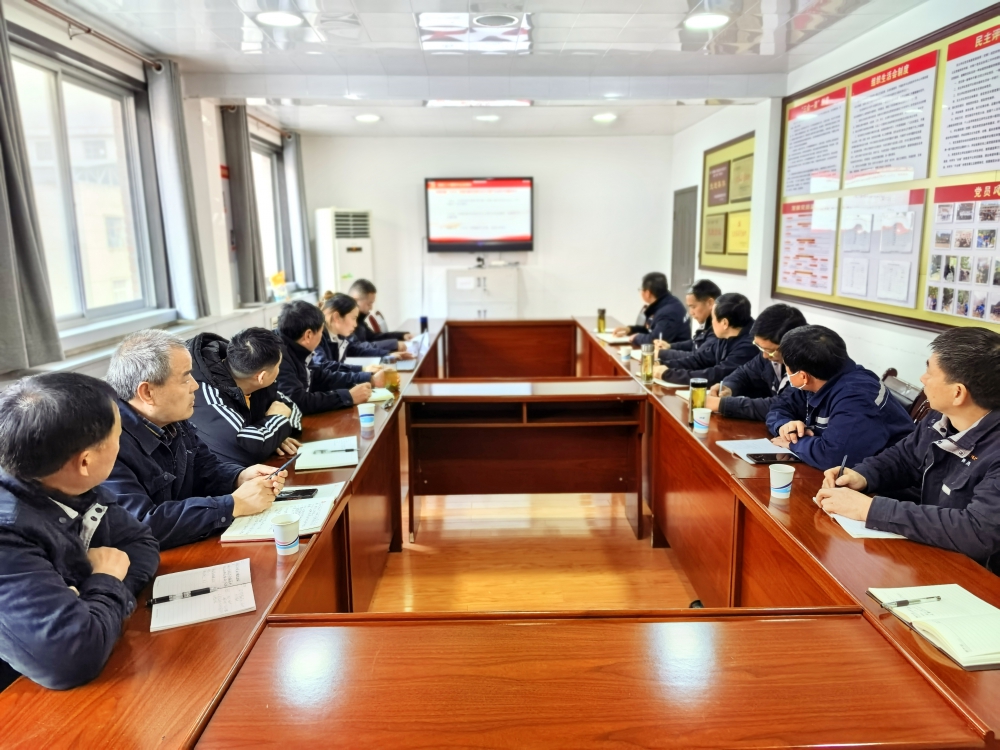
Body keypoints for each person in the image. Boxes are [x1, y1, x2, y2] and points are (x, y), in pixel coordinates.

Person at [0, 373, 159, 691]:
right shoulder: (7, 533)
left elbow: (140, 544)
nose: (120, 445)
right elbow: (71, 658)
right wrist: (105, 581)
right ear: (85, 461)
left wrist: (90, 601)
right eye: (118, 436)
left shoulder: (68, 483)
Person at [816, 328, 1000, 573]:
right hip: (935, 555)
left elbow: (977, 531)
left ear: (957, 393)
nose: (922, 379)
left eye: (930, 372)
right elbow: (906, 457)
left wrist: (869, 510)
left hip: (979, 577)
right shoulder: (940, 416)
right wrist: (863, 475)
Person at [103, 330, 288, 550]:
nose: (195, 386)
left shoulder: (173, 419)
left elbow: (206, 469)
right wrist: (232, 505)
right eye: (185, 378)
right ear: (147, 393)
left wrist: (239, 477)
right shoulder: (106, 443)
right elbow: (141, 523)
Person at [766, 325, 913, 470]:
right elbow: (779, 407)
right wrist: (784, 426)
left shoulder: (857, 396)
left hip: (888, 479)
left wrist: (794, 443)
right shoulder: (819, 376)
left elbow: (835, 458)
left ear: (803, 376)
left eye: (786, 366)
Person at [187, 328, 302, 466]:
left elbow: (290, 406)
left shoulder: (247, 369)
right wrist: (277, 423)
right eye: (278, 366)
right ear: (261, 377)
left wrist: (275, 435)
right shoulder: (206, 394)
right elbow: (245, 449)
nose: (278, 371)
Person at [276, 300, 384, 413]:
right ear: (308, 335)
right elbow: (297, 402)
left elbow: (320, 377)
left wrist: (367, 378)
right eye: (321, 332)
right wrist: (348, 397)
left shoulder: (298, 348)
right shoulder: (278, 356)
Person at [705, 303, 808, 420]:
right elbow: (745, 373)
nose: (764, 355)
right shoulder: (769, 353)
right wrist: (728, 387)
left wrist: (722, 405)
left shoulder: (809, 365)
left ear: (792, 346)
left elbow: (783, 405)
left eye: (770, 351)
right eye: (759, 347)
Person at [651, 293, 757, 386]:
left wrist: (668, 374)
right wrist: (662, 363)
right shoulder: (726, 335)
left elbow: (716, 375)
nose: (712, 323)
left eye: (713, 318)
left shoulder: (749, 346)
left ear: (725, 323)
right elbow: (699, 360)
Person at [612, 272, 690, 346]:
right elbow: (651, 331)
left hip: (675, 353)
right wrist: (630, 329)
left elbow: (656, 340)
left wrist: (636, 338)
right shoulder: (666, 302)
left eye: (641, 289)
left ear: (647, 293)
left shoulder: (668, 312)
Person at [655, 279, 721, 360]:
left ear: (710, 303)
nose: (691, 312)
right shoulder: (708, 324)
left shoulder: (719, 329)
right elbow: (695, 343)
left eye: (693, 307)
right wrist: (669, 346)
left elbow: (697, 358)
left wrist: (662, 354)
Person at [348, 279, 412, 351]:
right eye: (369, 304)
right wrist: (393, 345)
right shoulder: (346, 323)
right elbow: (358, 348)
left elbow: (374, 338)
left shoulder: (359, 320)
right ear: (355, 300)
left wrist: (402, 336)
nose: (371, 308)